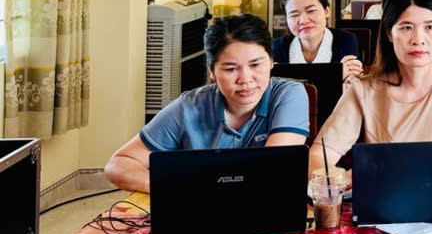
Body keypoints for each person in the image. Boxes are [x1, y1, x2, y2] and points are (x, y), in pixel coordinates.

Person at [105, 14, 309, 193]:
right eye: (231, 69)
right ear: (211, 71)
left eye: (256, 65)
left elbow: (272, 169)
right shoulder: (189, 106)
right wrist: (175, 187)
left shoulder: (288, 95)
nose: (245, 79)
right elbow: (119, 165)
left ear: (272, 61)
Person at [310, 0, 432, 174]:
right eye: (406, 28)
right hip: (381, 193)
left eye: (430, 27)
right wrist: (344, 180)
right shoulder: (363, 89)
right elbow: (318, 156)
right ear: (389, 32)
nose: (418, 40)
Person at [272, 0, 363, 82]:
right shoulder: (278, 46)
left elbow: (351, 80)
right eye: (294, 15)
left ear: (326, 11)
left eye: (311, 11)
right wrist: (335, 74)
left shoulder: (346, 40)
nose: (303, 21)